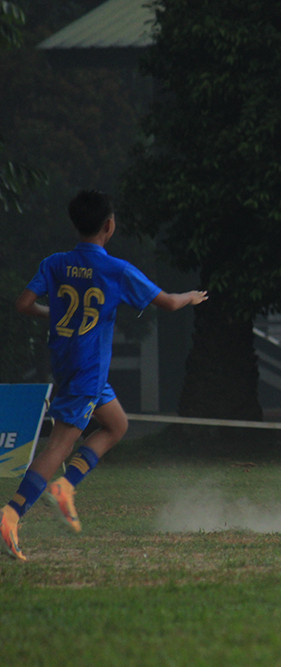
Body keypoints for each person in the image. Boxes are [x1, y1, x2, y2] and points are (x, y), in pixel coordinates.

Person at [1, 190, 208, 562]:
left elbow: (23, 305)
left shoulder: (55, 263)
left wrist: (61, 315)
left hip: (66, 361)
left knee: (116, 425)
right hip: (89, 368)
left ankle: (64, 486)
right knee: (60, 445)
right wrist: (191, 295)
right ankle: (12, 512)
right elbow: (169, 303)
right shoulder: (117, 270)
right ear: (109, 226)